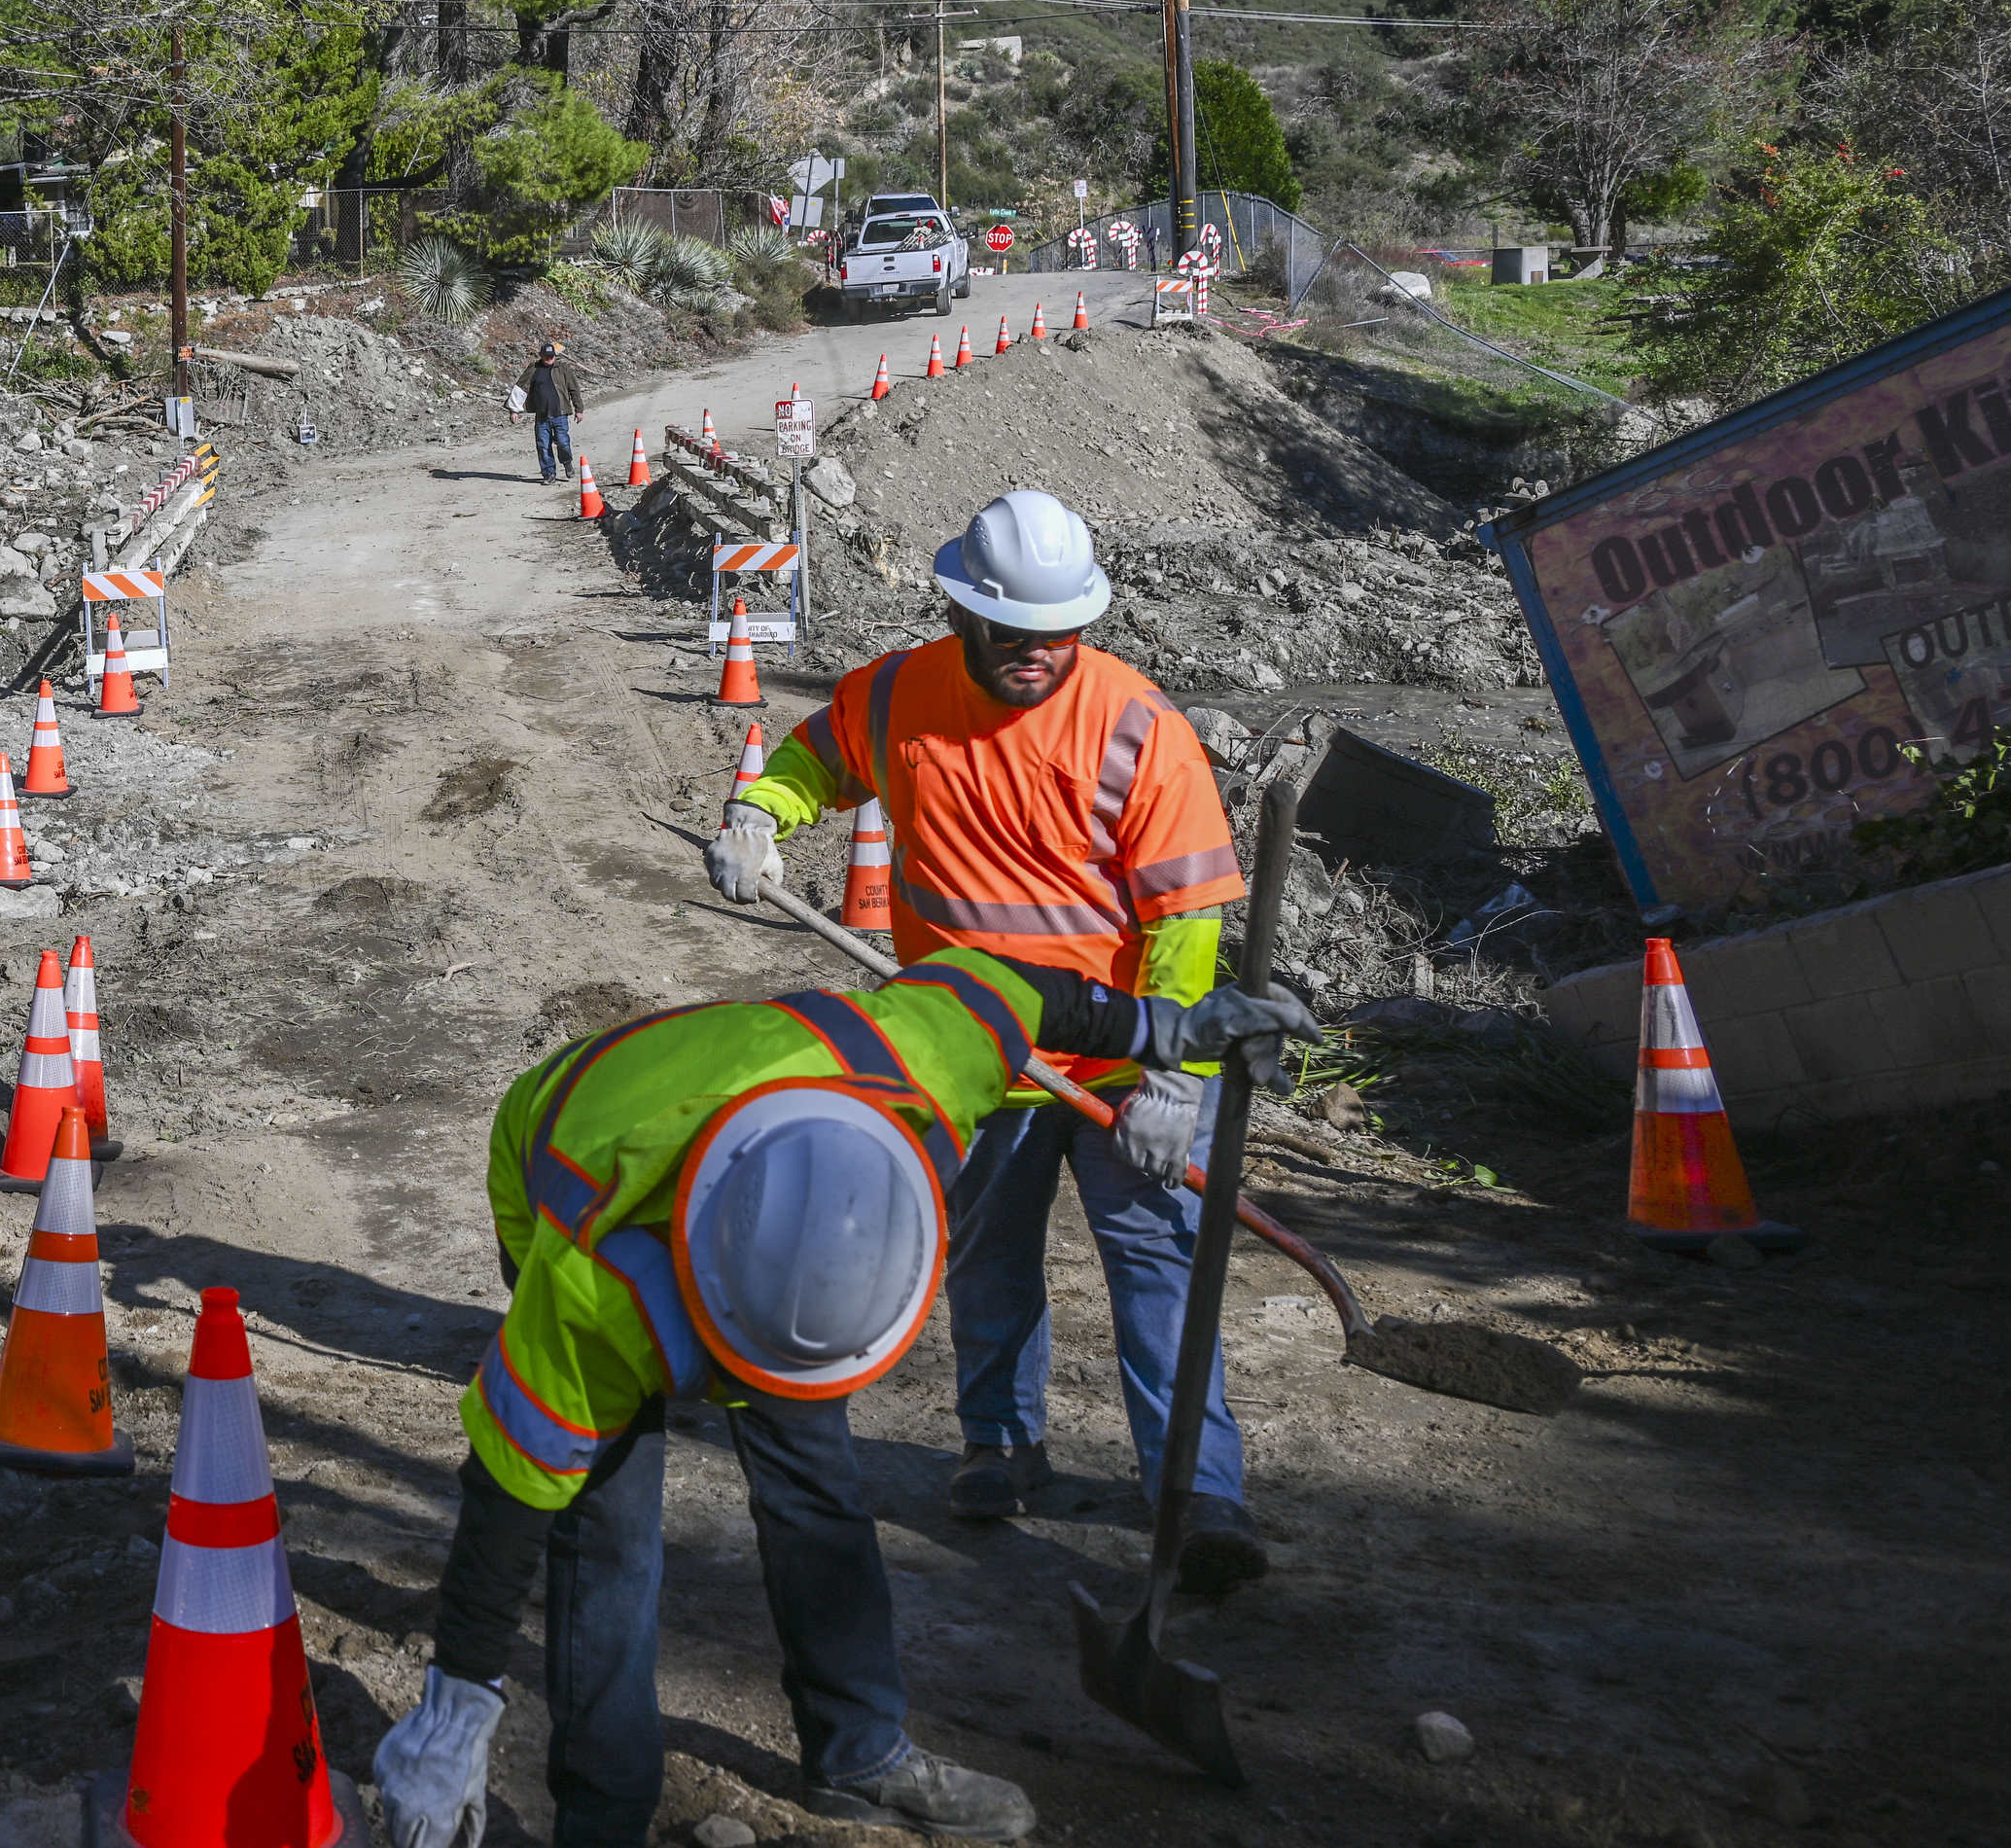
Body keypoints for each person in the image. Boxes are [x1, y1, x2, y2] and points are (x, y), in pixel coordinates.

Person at [370, 946, 1313, 1847]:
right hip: (559, 1151)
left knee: (814, 1475)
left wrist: (1172, 1029)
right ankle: (604, 1812)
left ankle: (858, 1752)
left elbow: (1023, 988)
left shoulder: (926, 1060)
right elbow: (507, 1491)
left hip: (756, 1164)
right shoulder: (596, 1290)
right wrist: (458, 1701)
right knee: (607, 1532)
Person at [705, 488, 1266, 1591]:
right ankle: (1000, 1443)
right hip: (969, 1046)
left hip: (1114, 1061)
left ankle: (1198, 1489)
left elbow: (1185, 918)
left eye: (1060, 634)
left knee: (1159, 1267)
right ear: (961, 612)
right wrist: (760, 813)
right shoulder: (900, 693)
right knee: (985, 1257)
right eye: (1014, 635)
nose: (1037, 656)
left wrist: (1170, 1074)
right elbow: (816, 760)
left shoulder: (1136, 723)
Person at [521, 338, 582, 484]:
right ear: (541, 356)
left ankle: (567, 462)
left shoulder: (563, 368)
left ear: (555, 355)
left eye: (552, 356)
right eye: (546, 356)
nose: (549, 359)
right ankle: (549, 474)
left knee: (563, 442)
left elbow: (574, 389)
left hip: (560, 414)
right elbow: (521, 388)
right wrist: (514, 410)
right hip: (542, 416)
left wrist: (579, 410)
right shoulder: (533, 369)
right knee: (543, 445)